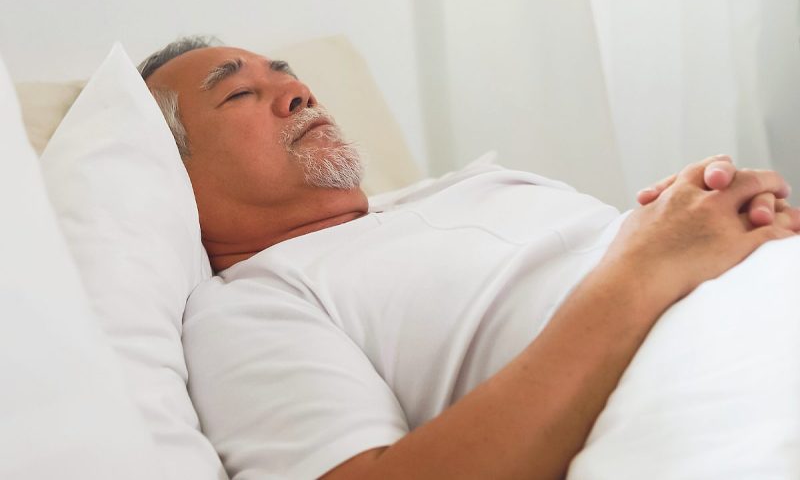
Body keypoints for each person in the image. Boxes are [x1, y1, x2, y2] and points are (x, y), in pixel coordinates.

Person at [140, 36, 800, 480]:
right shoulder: (251, 302)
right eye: (237, 94)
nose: (298, 93)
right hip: (691, 389)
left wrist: (731, 225)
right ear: (174, 172)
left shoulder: (466, 184)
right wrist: (645, 265)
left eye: (286, 75)